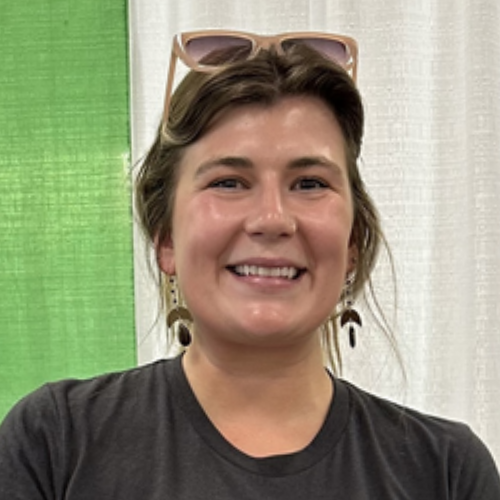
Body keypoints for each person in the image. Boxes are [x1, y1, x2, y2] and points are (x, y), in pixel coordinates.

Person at [0, 30, 499, 499]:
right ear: (166, 238)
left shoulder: (446, 472)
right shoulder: (55, 443)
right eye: (228, 183)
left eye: (310, 183)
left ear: (353, 240)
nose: (272, 219)